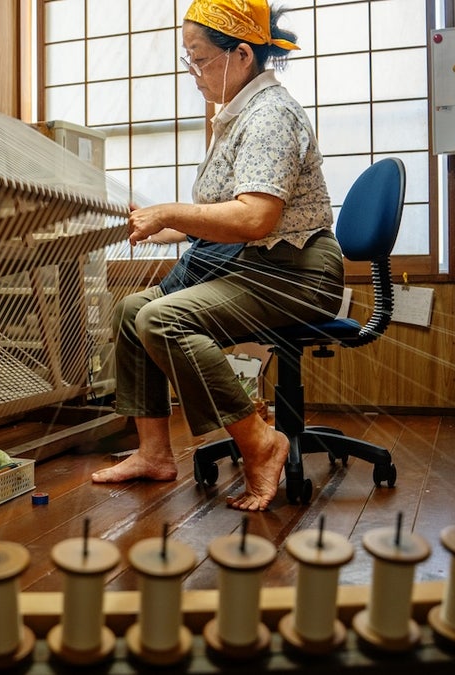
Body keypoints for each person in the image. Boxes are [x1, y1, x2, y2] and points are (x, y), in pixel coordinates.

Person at [91, 0, 346, 511]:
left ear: (243, 55)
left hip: (296, 271)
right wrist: (175, 228)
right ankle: (154, 454)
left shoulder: (269, 115)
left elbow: (255, 218)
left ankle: (261, 443)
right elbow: (231, 215)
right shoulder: (237, 114)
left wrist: (170, 211)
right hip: (255, 264)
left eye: (200, 58)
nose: (194, 72)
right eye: (189, 59)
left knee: (164, 319)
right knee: (130, 312)